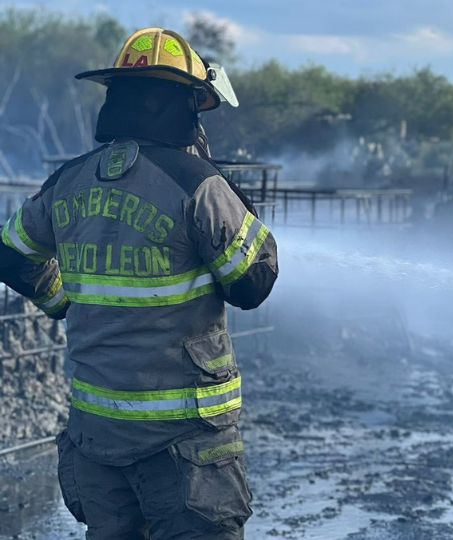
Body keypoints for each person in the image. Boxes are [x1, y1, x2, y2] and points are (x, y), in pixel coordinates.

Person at [0, 28, 277, 538]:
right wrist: (222, 188)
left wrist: (62, 302)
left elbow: (11, 255)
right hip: (184, 446)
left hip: (96, 441)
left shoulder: (68, 181)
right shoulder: (197, 183)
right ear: (183, 104)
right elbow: (252, 282)